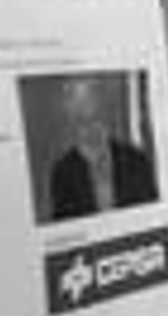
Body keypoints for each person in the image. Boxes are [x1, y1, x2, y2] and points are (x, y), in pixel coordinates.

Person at [50, 75, 158, 220]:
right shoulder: (63, 172)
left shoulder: (137, 160)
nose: (92, 128)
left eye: (96, 117)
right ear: (73, 123)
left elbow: (152, 215)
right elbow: (63, 227)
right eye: (83, 120)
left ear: (106, 116)